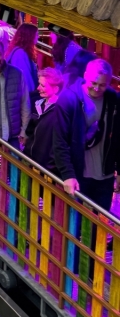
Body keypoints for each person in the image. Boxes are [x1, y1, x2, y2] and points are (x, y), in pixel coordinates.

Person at [61, 59, 119, 210]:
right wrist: (68, 174)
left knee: (98, 225)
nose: (97, 88)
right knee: (75, 223)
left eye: (102, 85)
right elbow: (59, 140)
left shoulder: (114, 100)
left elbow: (118, 137)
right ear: (85, 75)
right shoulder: (69, 98)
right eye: (94, 83)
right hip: (79, 175)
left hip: (104, 176)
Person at [24, 68, 80, 192]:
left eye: (43, 85)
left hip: (47, 170)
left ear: (55, 89)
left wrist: (51, 166)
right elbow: (31, 132)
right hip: (31, 164)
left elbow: (60, 142)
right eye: (39, 84)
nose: (38, 88)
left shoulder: (59, 111)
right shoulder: (39, 104)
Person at [5, 22, 39, 103]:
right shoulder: (20, 54)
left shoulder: (19, 51)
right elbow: (26, 79)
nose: (39, 36)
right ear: (29, 36)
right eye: (36, 34)